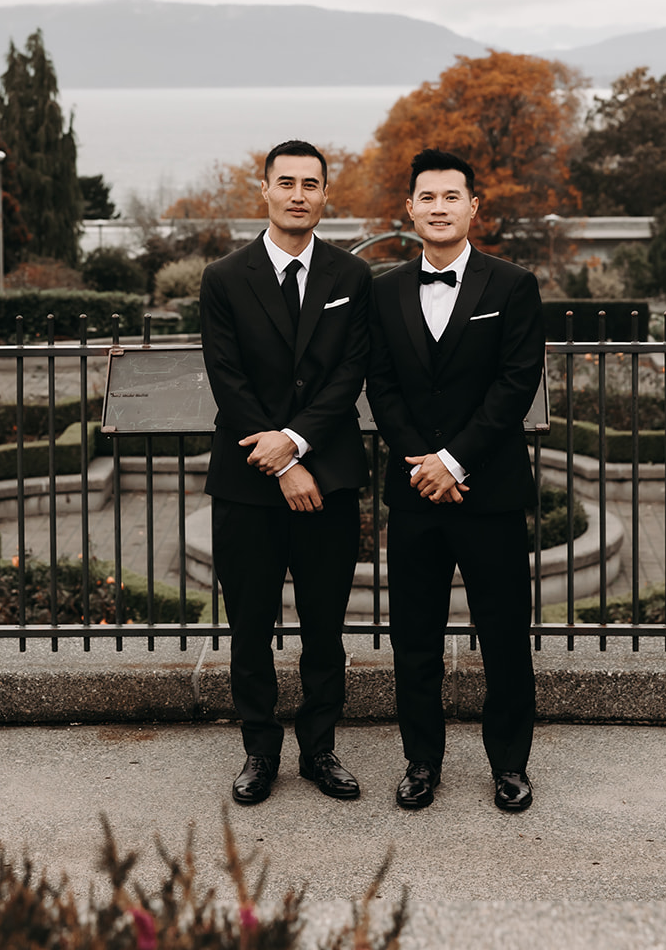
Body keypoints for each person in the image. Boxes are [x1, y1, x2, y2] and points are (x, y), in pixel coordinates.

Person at [366, 146, 546, 813]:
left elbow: (514, 385)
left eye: (451, 197)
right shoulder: (380, 290)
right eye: (426, 198)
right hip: (415, 494)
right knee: (414, 640)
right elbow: (379, 385)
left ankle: (509, 765)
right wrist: (423, 463)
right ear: (408, 209)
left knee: (503, 637)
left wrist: (455, 461)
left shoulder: (511, 286)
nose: (438, 208)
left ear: (474, 207)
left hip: (488, 491)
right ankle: (420, 763)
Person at [200, 139, 371, 806]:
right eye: (287, 182)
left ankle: (319, 749)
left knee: (325, 625)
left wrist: (298, 446)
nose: (299, 193)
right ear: (263, 191)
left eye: (312, 183)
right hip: (246, 480)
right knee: (249, 624)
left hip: (325, 475)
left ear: (326, 196)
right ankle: (258, 750)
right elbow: (228, 380)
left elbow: (348, 376)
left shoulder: (351, 278)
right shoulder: (223, 277)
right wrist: (276, 461)